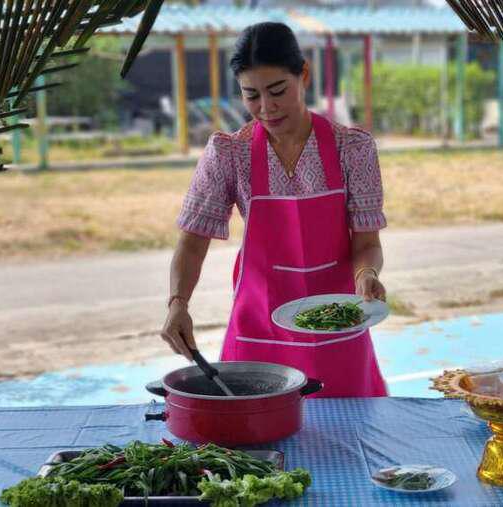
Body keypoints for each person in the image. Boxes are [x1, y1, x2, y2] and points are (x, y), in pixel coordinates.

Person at [161, 22, 388, 398]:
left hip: (337, 328)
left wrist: (366, 274)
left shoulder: (352, 149)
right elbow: (192, 242)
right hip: (258, 332)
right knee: (254, 426)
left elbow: (366, 242)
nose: (266, 107)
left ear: (304, 75)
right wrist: (177, 303)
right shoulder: (229, 154)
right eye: (251, 95)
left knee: (349, 425)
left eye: (278, 90)